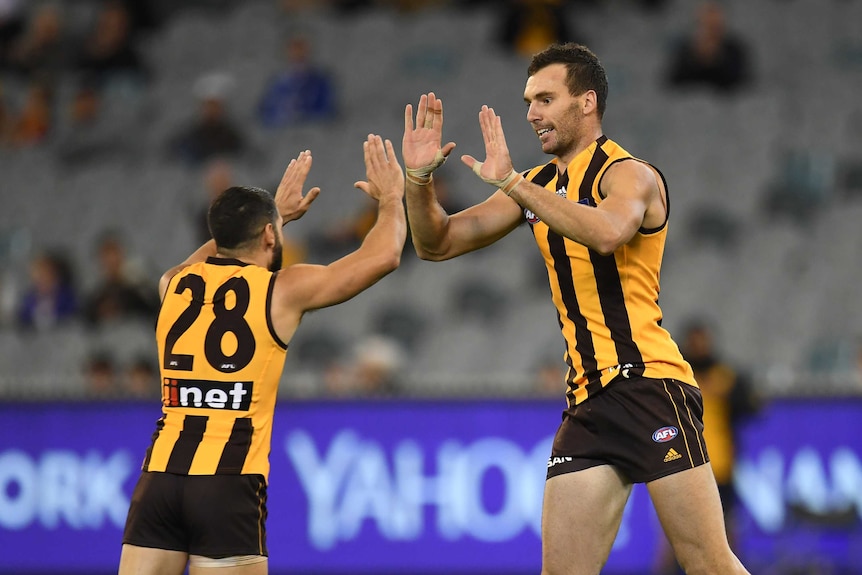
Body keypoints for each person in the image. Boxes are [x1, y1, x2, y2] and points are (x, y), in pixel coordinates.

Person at [401, 43, 749, 574]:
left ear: (586, 103)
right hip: (588, 403)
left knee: (707, 563)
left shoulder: (629, 174)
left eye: (545, 98)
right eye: (527, 102)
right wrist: (419, 180)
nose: (532, 113)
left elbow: (609, 233)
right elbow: (438, 243)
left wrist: (513, 184)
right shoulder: (540, 186)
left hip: (650, 385)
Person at [118, 134, 406, 575]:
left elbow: (201, 259)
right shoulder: (280, 291)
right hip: (229, 482)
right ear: (270, 233)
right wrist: (390, 198)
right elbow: (383, 254)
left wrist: (270, 216)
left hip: (160, 477)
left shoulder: (173, 285)